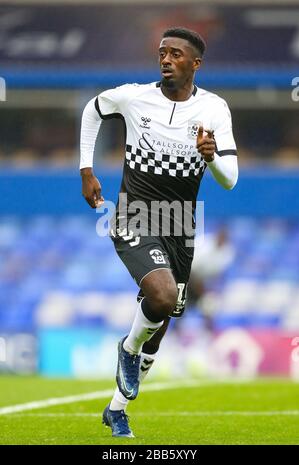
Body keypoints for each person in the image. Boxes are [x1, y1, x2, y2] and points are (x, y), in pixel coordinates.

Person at [80, 27, 238, 438]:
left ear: (195, 64)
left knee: (162, 321)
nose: (166, 59)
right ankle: (127, 349)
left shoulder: (215, 110)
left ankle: (117, 410)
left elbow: (230, 179)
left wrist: (213, 158)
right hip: (133, 213)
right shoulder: (135, 97)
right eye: (162, 52)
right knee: (162, 296)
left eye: (176, 54)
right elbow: (93, 110)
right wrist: (86, 170)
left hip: (180, 226)